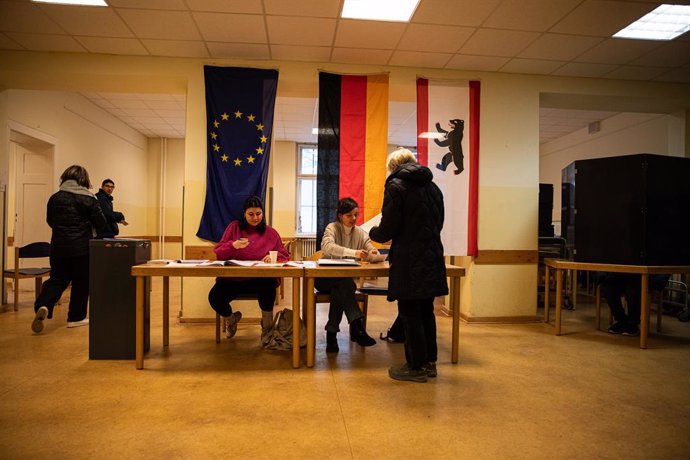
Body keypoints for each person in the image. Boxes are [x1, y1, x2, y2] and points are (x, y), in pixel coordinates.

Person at [369, 148, 448, 383]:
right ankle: (429, 363)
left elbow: (388, 228)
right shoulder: (433, 187)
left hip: (409, 259)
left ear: (393, 167)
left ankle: (414, 367)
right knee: (426, 311)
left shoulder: (396, 186)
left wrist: (373, 231)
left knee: (409, 312)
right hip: (432, 255)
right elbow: (439, 222)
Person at [31, 165, 106, 333]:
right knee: (81, 282)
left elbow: (50, 221)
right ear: (84, 180)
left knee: (57, 279)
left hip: (58, 247)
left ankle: (43, 305)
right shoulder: (89, 199)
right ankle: (76, 317)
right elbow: (101, 223)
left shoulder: (55, 198)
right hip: (82, 249)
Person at [208, 196, 289, 343]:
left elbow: (284, 255)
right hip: (233, 279)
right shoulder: (234, 228)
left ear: (263, 214)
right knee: (214, 297)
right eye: (251, 214)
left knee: (268, 285)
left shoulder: (270, 233)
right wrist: (233, 245)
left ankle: (267, 328)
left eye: (258, 214)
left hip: (259, 279)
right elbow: (219, 251)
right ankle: (231, 319)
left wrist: (273, 258)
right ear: (244, 214)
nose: (255, 217)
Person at [318, 197, 379, 353]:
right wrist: (354, 253)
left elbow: (370, 248)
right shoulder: (332, 227)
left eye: (355, 215)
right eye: (349, 215)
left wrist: (373, 253)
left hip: (342, 280)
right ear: (340, 215)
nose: (353, 219)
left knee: (343, 286)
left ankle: (332, 335)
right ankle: (357, 328)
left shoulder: (359, 232)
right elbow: (327, 246)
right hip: (323, 278)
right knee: (346, 284)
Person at [600, 272, 670, 336]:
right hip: (626, 275)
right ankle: (621, 320)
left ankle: (632, 323)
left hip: (648, 276)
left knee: (633, 286)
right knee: (607, 285)